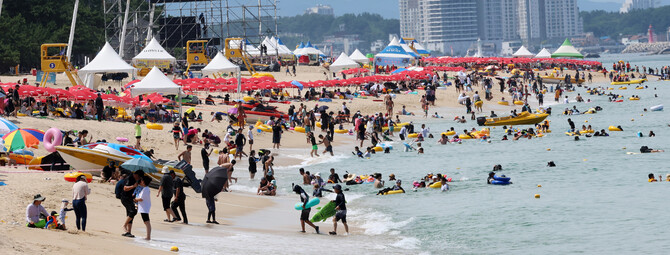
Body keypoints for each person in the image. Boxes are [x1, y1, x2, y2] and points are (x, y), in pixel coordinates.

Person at [121, 170, 144, 238]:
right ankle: (124, 225)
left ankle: (128, 232)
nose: (139, 178)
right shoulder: (129, 178)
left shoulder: (137, 179)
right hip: (125, 198)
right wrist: (133, 186)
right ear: (136, 175)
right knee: (133, 211)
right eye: (139, 177)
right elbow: (125, 188)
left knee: (130, 214)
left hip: (131, 198)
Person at [134, 176, 152, 240]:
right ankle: (148, 236)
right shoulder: (145, 188)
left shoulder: (145, 189)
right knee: (146, 222)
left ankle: (148, 237)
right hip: (144, 207)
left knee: (147, 222)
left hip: (144, 207)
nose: (141, 181)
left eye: (141, 180)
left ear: (143, 181)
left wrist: (135, 199)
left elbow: (141, 198)